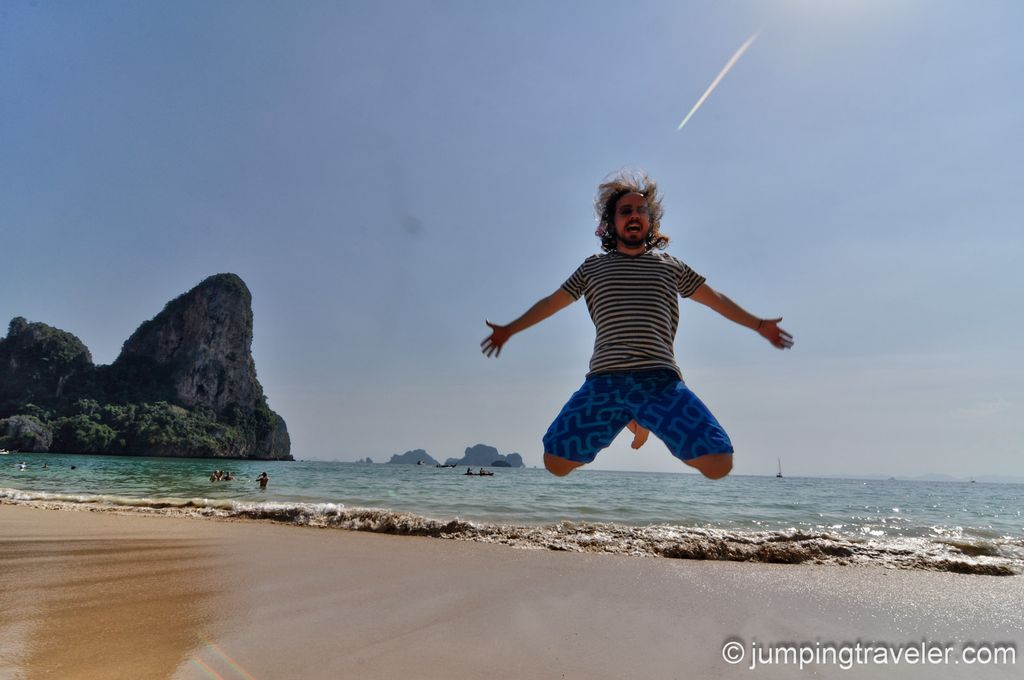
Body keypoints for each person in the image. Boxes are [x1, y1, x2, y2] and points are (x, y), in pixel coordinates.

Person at [482, 170, 792, 480]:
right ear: (611, 222)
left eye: (641, 210)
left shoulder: (671, 266)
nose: (634, 215)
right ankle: (632, 416)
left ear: (650, 220)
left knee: (719, 463)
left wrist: (759, 324)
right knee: (556, 462)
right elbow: (551, 302)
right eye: (625, 210)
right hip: (605, 380)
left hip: (660, 381)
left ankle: (643, 416)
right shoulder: (593, 267)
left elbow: (716, 300)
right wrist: (510, 329)